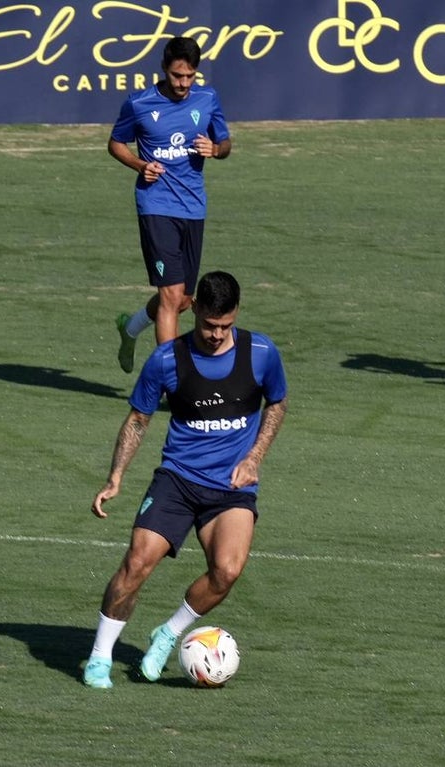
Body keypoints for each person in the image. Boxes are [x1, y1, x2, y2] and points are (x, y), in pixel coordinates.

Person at [83, 271, 287, 689]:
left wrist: (254, 457)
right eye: (209, 325)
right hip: (177, 481)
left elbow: (277, 404)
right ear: (194, 311)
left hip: (230, 489)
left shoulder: (261, 352)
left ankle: (169, 633)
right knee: (137, 563)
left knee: (227, 571)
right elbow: (138, 420)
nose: (216, 334)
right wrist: (115, 477)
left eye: (225, 326)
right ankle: (100, 656)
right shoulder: (166, 359)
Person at [109, 36, 232, 374]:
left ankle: (130, 327)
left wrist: (216, 150)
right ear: (164, 69)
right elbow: (116, 143)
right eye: (178, 76)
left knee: (183, 302)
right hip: (155, 205)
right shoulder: (139, 103)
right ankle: (172, 383)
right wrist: (140, 166)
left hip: (193, 207)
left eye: (190, 76)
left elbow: (225, 143)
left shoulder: (207, 99)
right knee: (170, 294)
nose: (183, 83)